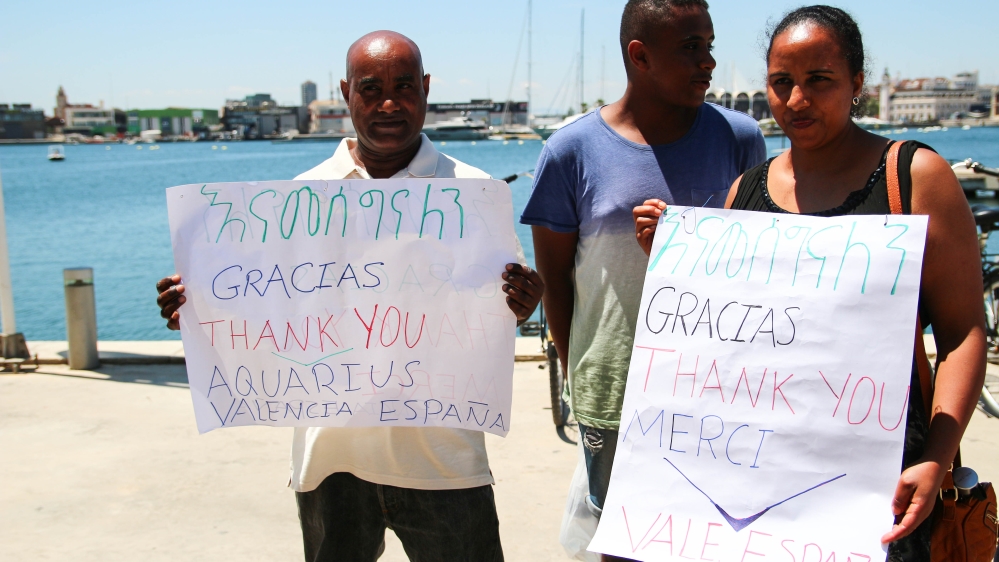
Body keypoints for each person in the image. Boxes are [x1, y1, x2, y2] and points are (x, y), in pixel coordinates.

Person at [156, 31, 543, 562]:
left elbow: (497, 311)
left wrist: (522, 301)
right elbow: (268, 307)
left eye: (403, 86)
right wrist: (197, 306)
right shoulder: (299, 197)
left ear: (426, 88)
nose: (389, 103)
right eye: (370, 89)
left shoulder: (475, 194)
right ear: (345, 93)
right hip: (332, 462)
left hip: (444, 461)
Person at [634, 6, 986, 560]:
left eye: (819, 80)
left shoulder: (914, 178)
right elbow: (732, 343)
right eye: (781, 82)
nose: (796, 100)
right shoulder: (745, 191)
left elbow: (963, 333)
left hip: (884, 486)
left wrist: (936, 458)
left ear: (857, 83)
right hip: (759, 490)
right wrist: (676, 264)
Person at [521, 0, 765, 546]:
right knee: (622, 539)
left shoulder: (741, 138)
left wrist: (681, 248)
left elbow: (759, 266)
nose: (708, 62)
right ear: (640, 56)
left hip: (721, 391)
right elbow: (556, 281)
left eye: (709, 46)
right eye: (690, 48)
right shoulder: (569, 150)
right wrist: (584, 372)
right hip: (613, 394)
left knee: (718, 539)